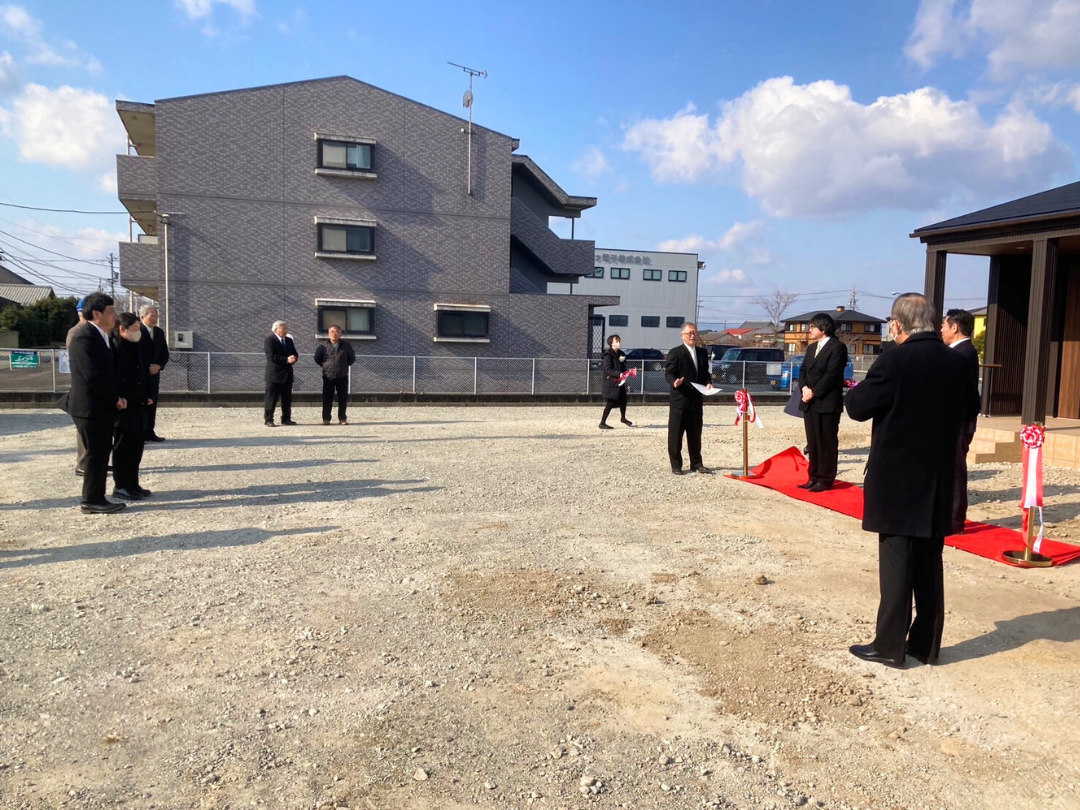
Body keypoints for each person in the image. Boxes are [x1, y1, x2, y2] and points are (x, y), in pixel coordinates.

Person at [844, 293, 980, 668]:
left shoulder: (895, 359)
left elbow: (857, 407)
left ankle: (889, 646)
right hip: (938, 476)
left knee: (897, 563)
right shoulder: (957, 362)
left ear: (897, 324)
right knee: (929, 564)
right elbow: (971, 408)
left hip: (898, 479)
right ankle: (926, 644)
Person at [62, 292, 128, 514]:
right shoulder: (84, 336)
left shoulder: (102, 335)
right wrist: (115, 398)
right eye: (111, 311)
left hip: (101, 406)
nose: (114, 315)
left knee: (101, 452)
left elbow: (110, 372)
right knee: (95, 454)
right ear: (96, 314)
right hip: (90, 407)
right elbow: (93, 375)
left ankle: (97, 496)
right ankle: (91, 500)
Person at [798, 313, 849, 492]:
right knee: (812, 441)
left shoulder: (838, 347)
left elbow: (832, 374)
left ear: (823, 328)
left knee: (826, 441)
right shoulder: (812, 348)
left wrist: (814, 391)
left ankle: (826, 479)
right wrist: (804, 388)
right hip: (809, 402)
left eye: (813, 326)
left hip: (826, 401)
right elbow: (803, 370)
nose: (810, 330)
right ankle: (813, 476)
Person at [941, 309, 980, 534]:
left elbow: (963, 395)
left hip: (958, 423)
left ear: (954, 327)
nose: (941, 330)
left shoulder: (963, 353)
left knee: (955, 471)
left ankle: (954, 520)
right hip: (952, 422)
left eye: (944, 325)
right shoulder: (958, 352)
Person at [112, 312, 152, 501]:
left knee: (136, 447)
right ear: (122, 329)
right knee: (123, 448)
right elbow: (117, 377)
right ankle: (121, 486)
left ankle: (133, 484)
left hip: (138, 404)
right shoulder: (115, 347)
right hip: (124, 406)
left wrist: (145, 396)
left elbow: (140, 375)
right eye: (135, 328)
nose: (138, 332)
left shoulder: (135, 346)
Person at [664, 322, 713, 475]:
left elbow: (705, 373)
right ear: (682, 335)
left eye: (694, 332)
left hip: (696, 399)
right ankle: (676, 465)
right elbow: (669, 373)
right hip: (680, 399)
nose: (692, 335)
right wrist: (674, 382)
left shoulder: (702, 353)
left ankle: (696, 463)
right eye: (689, 333)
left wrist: (709, 382)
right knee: (676, 434)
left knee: (695, 434)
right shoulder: (676, 352)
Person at [313, 325, 356, 425]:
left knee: (342, 398)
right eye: (332, 332)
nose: (334, 334)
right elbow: (317, 358)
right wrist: (325, 366)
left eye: (337, 331)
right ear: (328, 334)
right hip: (328, 376)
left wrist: (343, 366)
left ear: (341, 334)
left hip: (342, 375)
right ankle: (326, 419)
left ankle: (342, 418)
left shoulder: (346, 345)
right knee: (327, 398)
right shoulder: (323, 346)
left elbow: (352, 358)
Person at [139, 305, 170, 442]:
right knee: (141, 402)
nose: (155, 318)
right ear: (142, 317)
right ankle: (140, 432)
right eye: (152, 316)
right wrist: (147, 367)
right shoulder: (137, 330)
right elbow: (135, 353)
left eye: (156, 315)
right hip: (140, 373)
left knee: (153, 401)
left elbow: (165, 353)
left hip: (154, 374)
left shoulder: (158, 332)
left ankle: (149, 431)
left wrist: (159, 366)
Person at [66, 298, 90, 477]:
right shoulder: (77, 332)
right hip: (83, 387)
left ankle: (93, 461)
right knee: (84, 429)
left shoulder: (93, 331)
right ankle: (83, 463)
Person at [264, 320, 298, 427]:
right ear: (276, 329)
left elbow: (294, 352)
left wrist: (294, 358)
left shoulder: (288, 340)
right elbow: (271, 356)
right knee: (271, 399)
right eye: (284, 328)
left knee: (287, 399)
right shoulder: (270, 340)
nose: (287, 330)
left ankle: (286, 419)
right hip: (274, 375)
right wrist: (286, 360)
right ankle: (269, 419)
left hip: (287, 374)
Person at [599, 334, 632, 429]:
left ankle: (623, 418)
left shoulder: (621, 354)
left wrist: (627, 372)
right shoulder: (608, 355)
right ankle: (602, 423)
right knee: (610, 402)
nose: (619, 343)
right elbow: (608, 369)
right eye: (616, 341)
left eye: (619, 341)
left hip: (620, 382)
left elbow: (623, 366)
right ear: (611, 343)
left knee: (623, 400)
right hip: (612, 382)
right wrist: (619, 374)